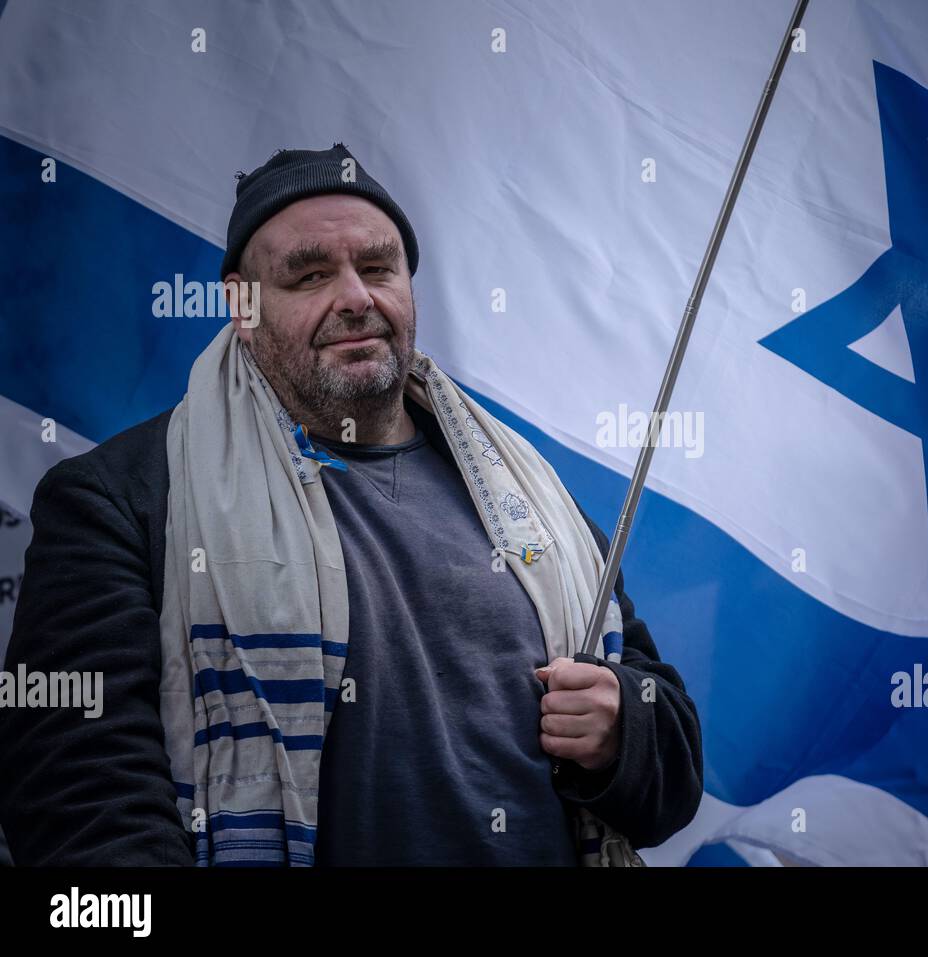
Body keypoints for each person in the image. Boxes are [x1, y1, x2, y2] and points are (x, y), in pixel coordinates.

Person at [0, 144, 703, 866]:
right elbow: (75, 795)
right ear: (243, 305)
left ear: (409, 288)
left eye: (377, 268)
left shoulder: (533, 501)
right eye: (309, 275)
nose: (355, 297)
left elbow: (672, 777)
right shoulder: (124, 500)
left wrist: (625, 728)